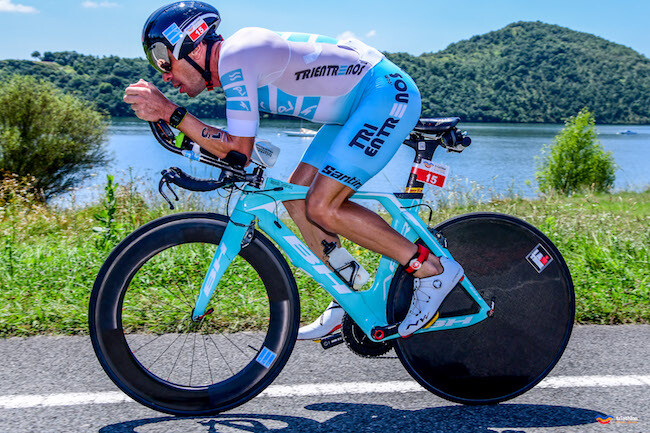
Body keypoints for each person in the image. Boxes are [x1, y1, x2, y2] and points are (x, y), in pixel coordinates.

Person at [124, 1, 464, 339]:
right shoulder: (235, 65)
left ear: (193, 44)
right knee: (296, 196)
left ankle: (430, 269)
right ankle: (351, 293)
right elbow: (238, 149)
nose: (166, 75)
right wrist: (180, 125)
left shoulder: (236, 57)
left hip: (384, 94)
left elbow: (238, 150)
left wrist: (170, 111)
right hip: (354, 106)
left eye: (165, 61)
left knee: (322, 205)